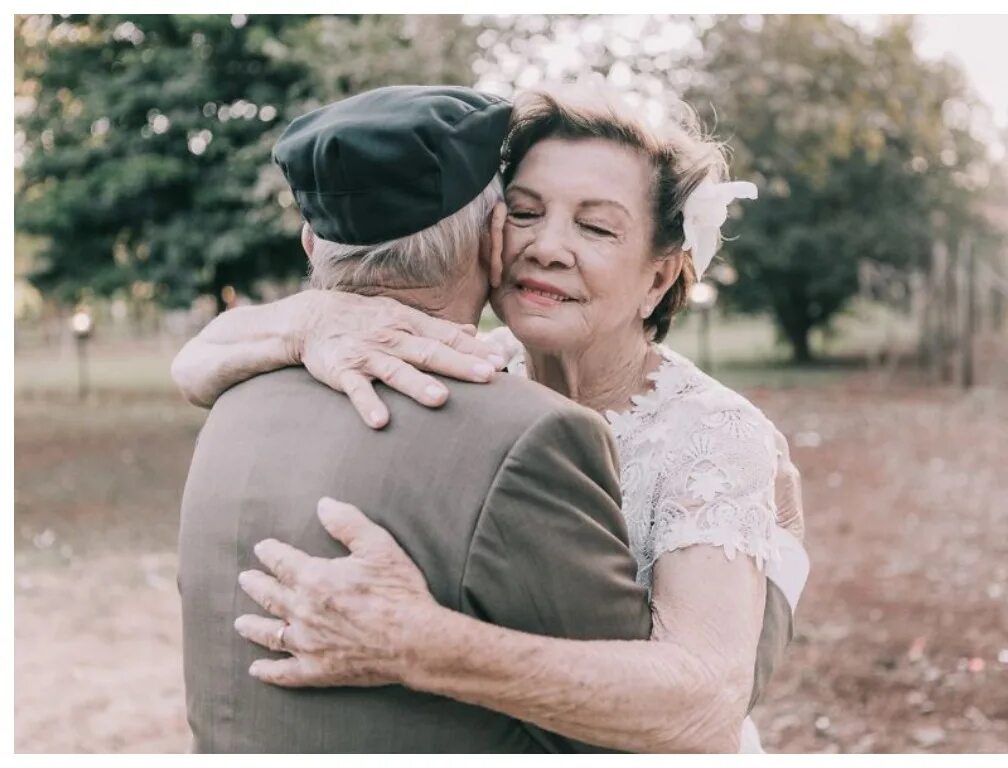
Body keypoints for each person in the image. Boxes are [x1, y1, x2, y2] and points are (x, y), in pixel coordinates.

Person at [175, 85, 808, 753]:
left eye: (594, 227)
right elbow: (194, 365)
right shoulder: (459, 361)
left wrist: (417, 642)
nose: (546, 247)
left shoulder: (710, 432)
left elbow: (704, 708)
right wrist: (314, 316)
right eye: (526, 213)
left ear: (659, 277)